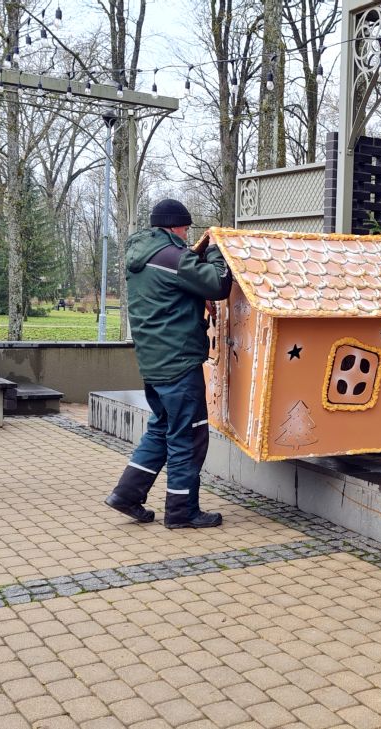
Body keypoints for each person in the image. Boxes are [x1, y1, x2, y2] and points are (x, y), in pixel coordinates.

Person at [104, 199, 233, 529]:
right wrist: (218, 251)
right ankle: (182, 511)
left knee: (162, 429)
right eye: (186, 229)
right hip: (179, 362)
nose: (188, 235)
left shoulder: (144, 256)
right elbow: (218, 284)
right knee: (188, 436)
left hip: (154, 363)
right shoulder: (172, 257)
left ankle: (126, 494)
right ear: (176, 226)